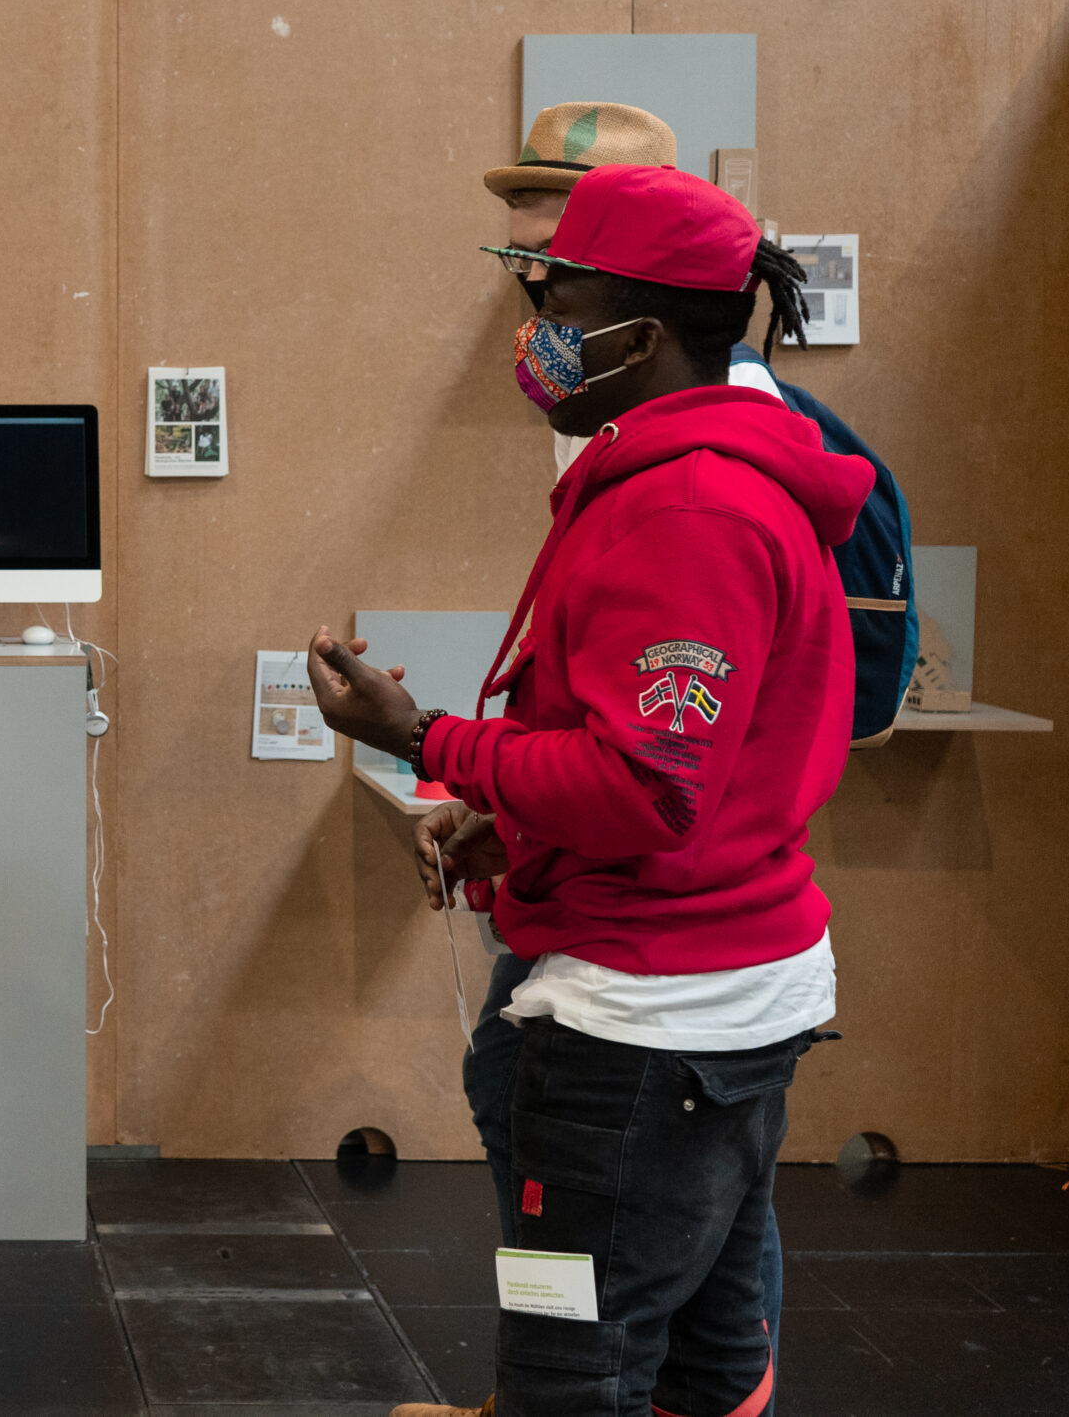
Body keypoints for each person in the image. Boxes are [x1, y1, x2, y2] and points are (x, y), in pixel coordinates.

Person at [313, 165, 865, 1417]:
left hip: (644, 1014)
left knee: (572, 1351)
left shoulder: (686, 508)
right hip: (711, 985)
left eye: (553, 293)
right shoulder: (689, 473)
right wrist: (514, 823)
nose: (534, 327)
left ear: (645, 334)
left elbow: (646, 790)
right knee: (709, 1332)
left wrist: (428, 738)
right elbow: (674, 765)